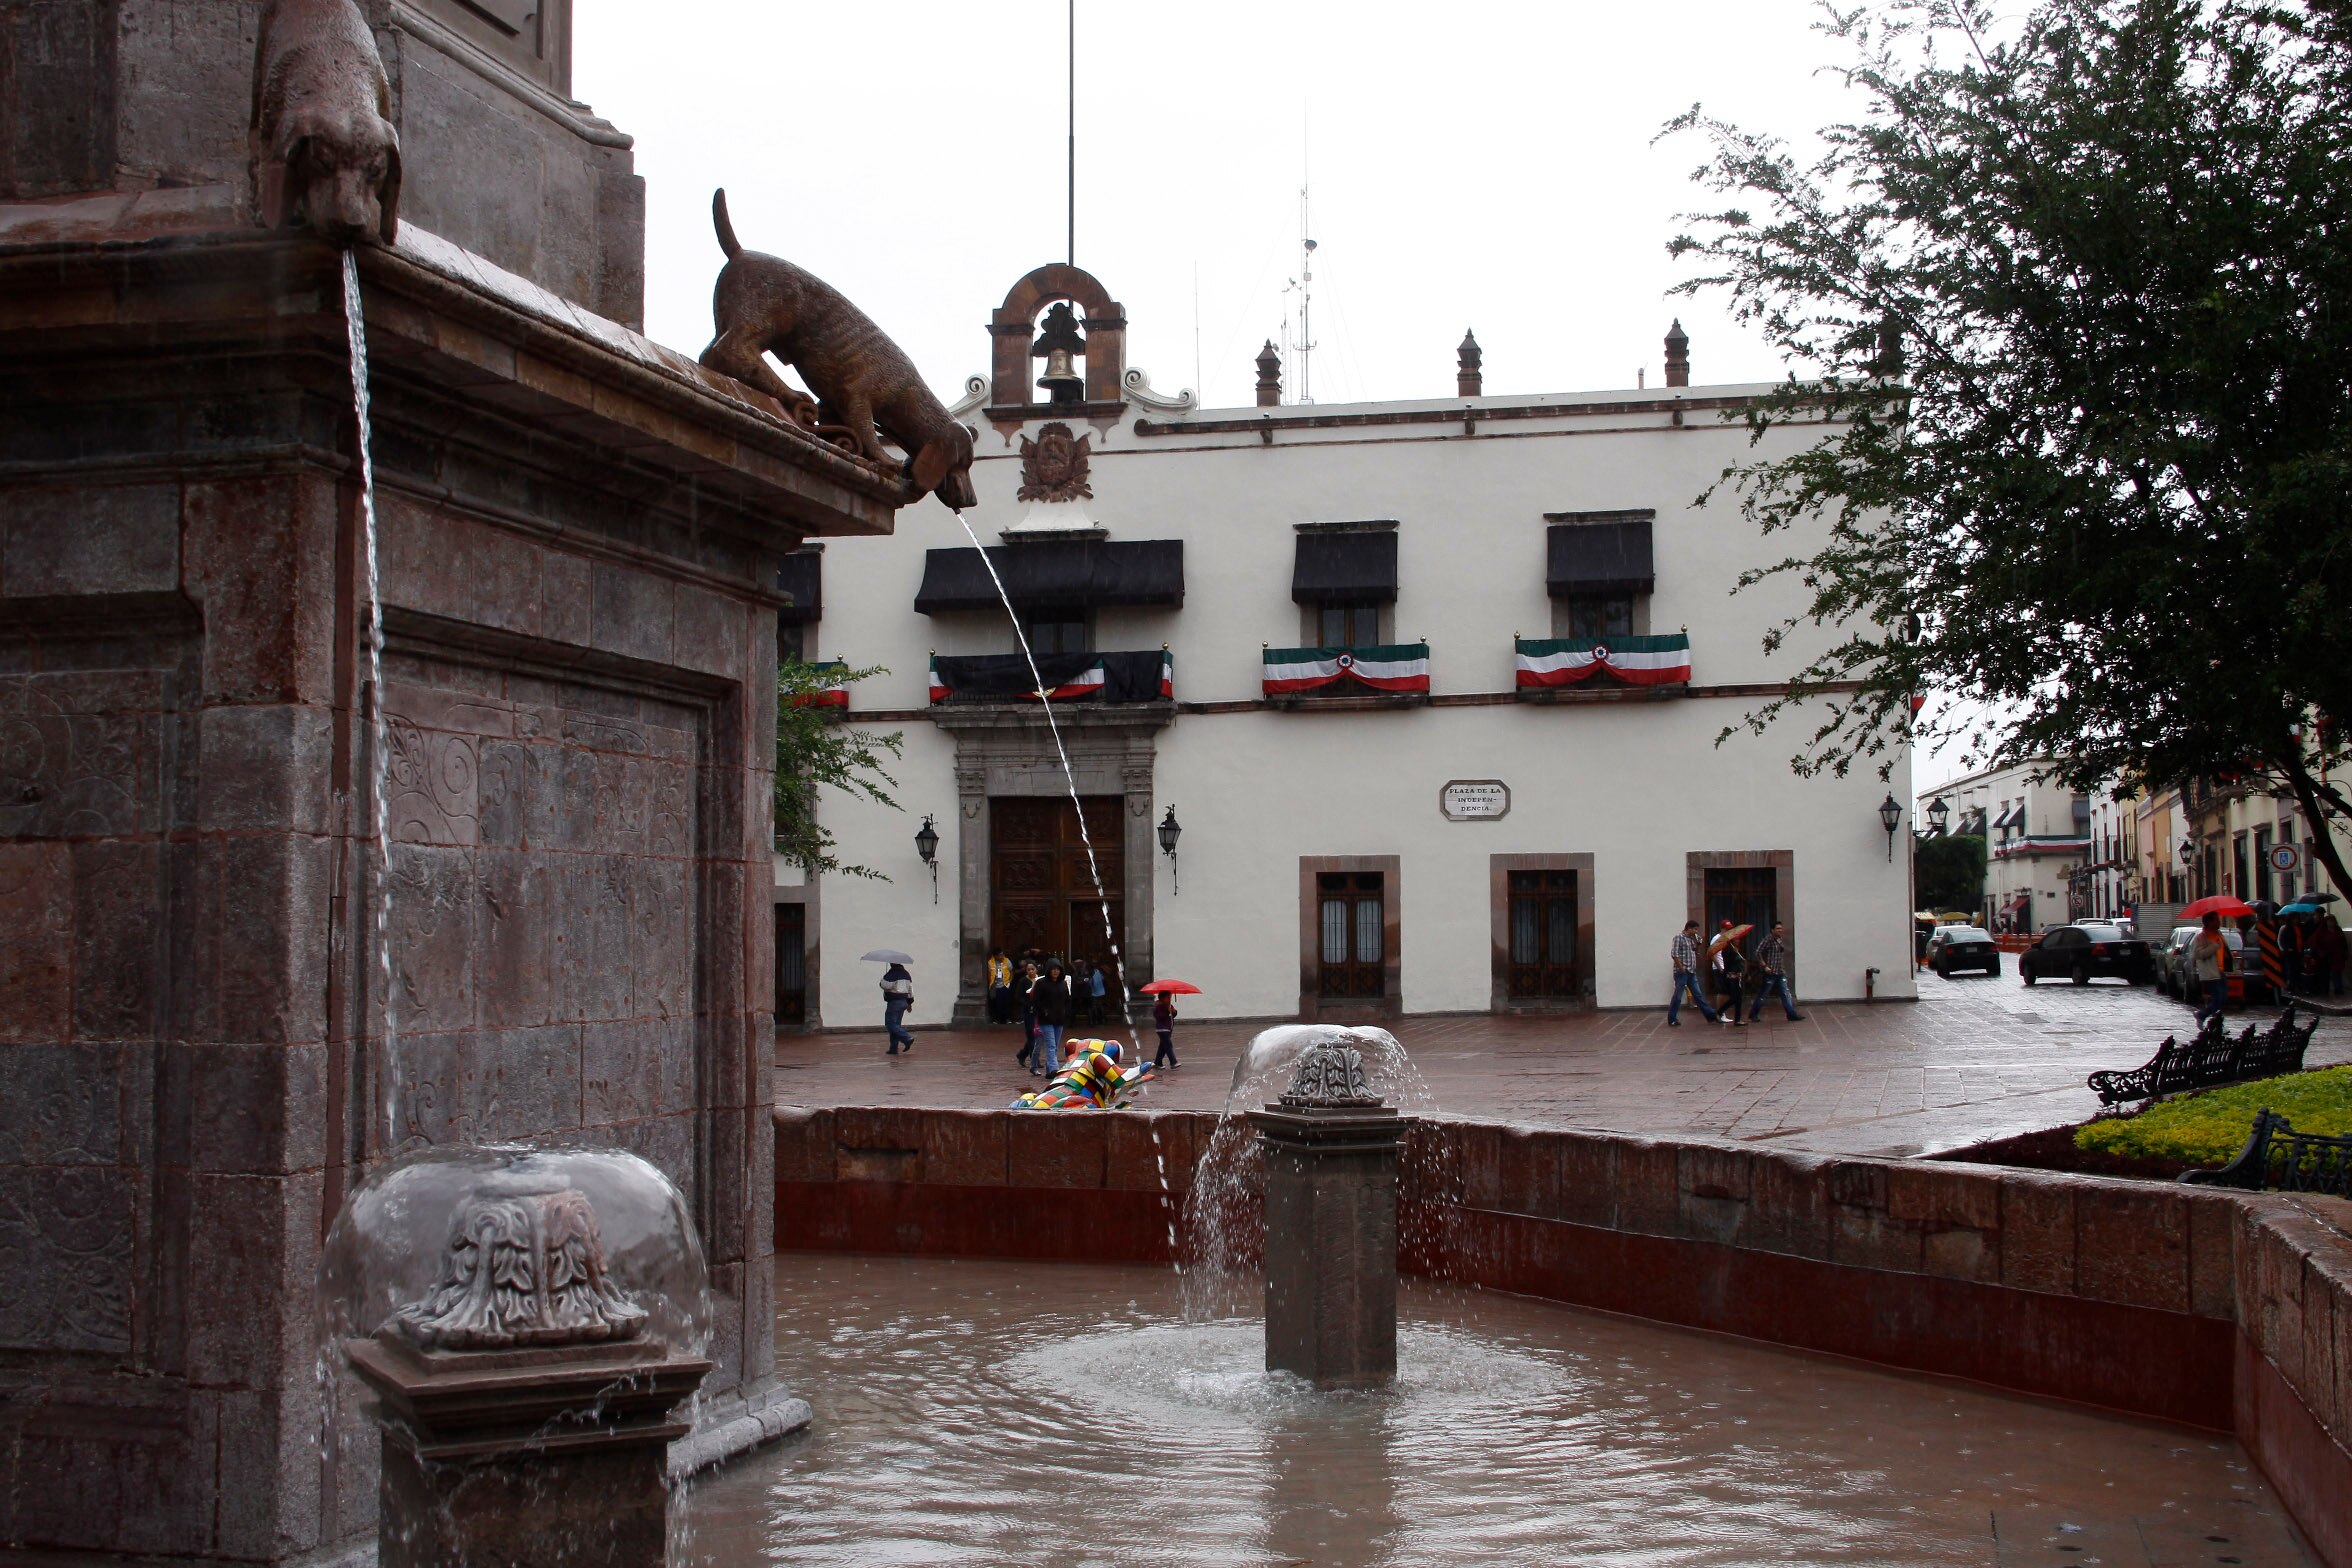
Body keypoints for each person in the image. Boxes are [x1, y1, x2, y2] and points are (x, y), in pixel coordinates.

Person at [1747, 922, 1806, 1022]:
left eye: (1781, 928)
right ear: (1772, 930)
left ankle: (1791, 1014)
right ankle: (1753, 1014)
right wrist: (1764, 966)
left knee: (1785, 993)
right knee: (1763, 994)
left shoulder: (1779, 940)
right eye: (1778, 928)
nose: (1780, 930)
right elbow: (1758, 952)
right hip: (1770, 972)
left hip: (1780, 971)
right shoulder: (1768, 940)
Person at [1667, 920, 1718, 1026]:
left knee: (1698, 995)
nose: (1696, 931)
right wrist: (1681, 967)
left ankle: (1710, 1015)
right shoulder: (1679, 938)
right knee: (1678, 995)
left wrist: (1698, 944)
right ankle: (1672, 1018)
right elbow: (1674, 954)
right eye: (1694, 929)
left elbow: (1694, 950)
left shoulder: (1691, 939)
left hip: (1691, 971)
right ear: (1688, 928)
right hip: (1682, 971)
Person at [2189, 912, 2231, 1027]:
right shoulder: (2201, 937)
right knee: (2218, 999)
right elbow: (2199, 954)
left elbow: (2223, 949)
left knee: (2223, 998)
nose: (2219, 922)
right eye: (2216, 920)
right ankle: (2202, 1015)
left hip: (2220, 971)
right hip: (2210, 973)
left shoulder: (2219, 934)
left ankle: (2216, 1023)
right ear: (2209, 922)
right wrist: (2214, 947)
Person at [1030, 961, 1071, 1076]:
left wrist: (1066, 1012)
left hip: (1059, 1019)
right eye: (1053, 969)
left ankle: (1049, 1069)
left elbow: (1067, 1000)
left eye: (1057, 969)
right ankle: (1054, 1067)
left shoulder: (1063, 983)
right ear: (1048, 970)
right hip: (1046, 1019)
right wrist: (1044, 1012)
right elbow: (1036, 1000)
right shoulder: (1041, 983)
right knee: (1051, 1044)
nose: (1055, 971)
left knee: (1055, 1044)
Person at [1712, 923, 1747, 1026]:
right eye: (1736, 939)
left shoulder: (1734, 949)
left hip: (1737, 976)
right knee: (1734, 997)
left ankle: (1737, 1019)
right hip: (1731, 976)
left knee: (1738, 998)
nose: (1738, 941)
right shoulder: (1727, 949)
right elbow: (1730, 962)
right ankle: (1719, 1011)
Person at [879, 961, 915, 1055]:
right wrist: (910, 1003)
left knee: (890, 1024)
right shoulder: (906, 974)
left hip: (895, 1001)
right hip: (904, 1001)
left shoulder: (893, 973)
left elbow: (886, 985)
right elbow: (910, 989)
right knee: (896, 1025)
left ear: (892, 964)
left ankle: (907, 1038)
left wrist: (883, 979)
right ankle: (893, 1048)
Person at [1015, 960, 1040, 1070]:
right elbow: (1018, 996)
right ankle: (1034, 1059)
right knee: (1031, 1034)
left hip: (1039, 1011)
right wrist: (1027, 1004)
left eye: (1032, 969)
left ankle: (1022, 1054)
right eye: (1028, 969)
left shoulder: (1040, 980)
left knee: (1037, 1035)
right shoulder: (1023, 981)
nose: (1030, 971)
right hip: (1028, 1011)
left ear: (1036, 969)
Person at [1153, 989, 1179, 1069]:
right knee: (1168, 1045)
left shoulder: (1169, 1005)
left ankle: (1157, 1062)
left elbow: (1172, 1016)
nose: (1169, 1000)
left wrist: (1174, 1012)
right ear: (1162, 998)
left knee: (1163, 1047)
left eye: (1170, 998)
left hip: (1168, 1028)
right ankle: (1173, 1062)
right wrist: (1167, 1012)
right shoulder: (1159, 1006)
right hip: (1162, 1029)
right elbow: (1159, 1017)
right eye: (1168, 998)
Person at [986, 949, 1013, 1024]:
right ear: (995, 956)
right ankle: (997, 1019)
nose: (1001, 956)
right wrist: (991, 983)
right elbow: (989, 974)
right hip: (995, 985)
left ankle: (1007, 1018)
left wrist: (1009, 981)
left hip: (1005, 984)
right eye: (999, 955)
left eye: (1002, 954)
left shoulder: (1007, 961)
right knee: (996, 1003)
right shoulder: (990, 962)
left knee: (1006, 1002)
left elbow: (1011, 972)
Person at [1089, 958, 1110, 1025]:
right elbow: (1103, 979)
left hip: (1095, 991)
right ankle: (1101, 1019)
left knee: (1095, 1006)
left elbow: (1090, 982)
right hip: (1100, 991)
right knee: (1099, 1006)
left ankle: (1097, 1020)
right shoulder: (1099, 971)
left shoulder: (1092, 972)